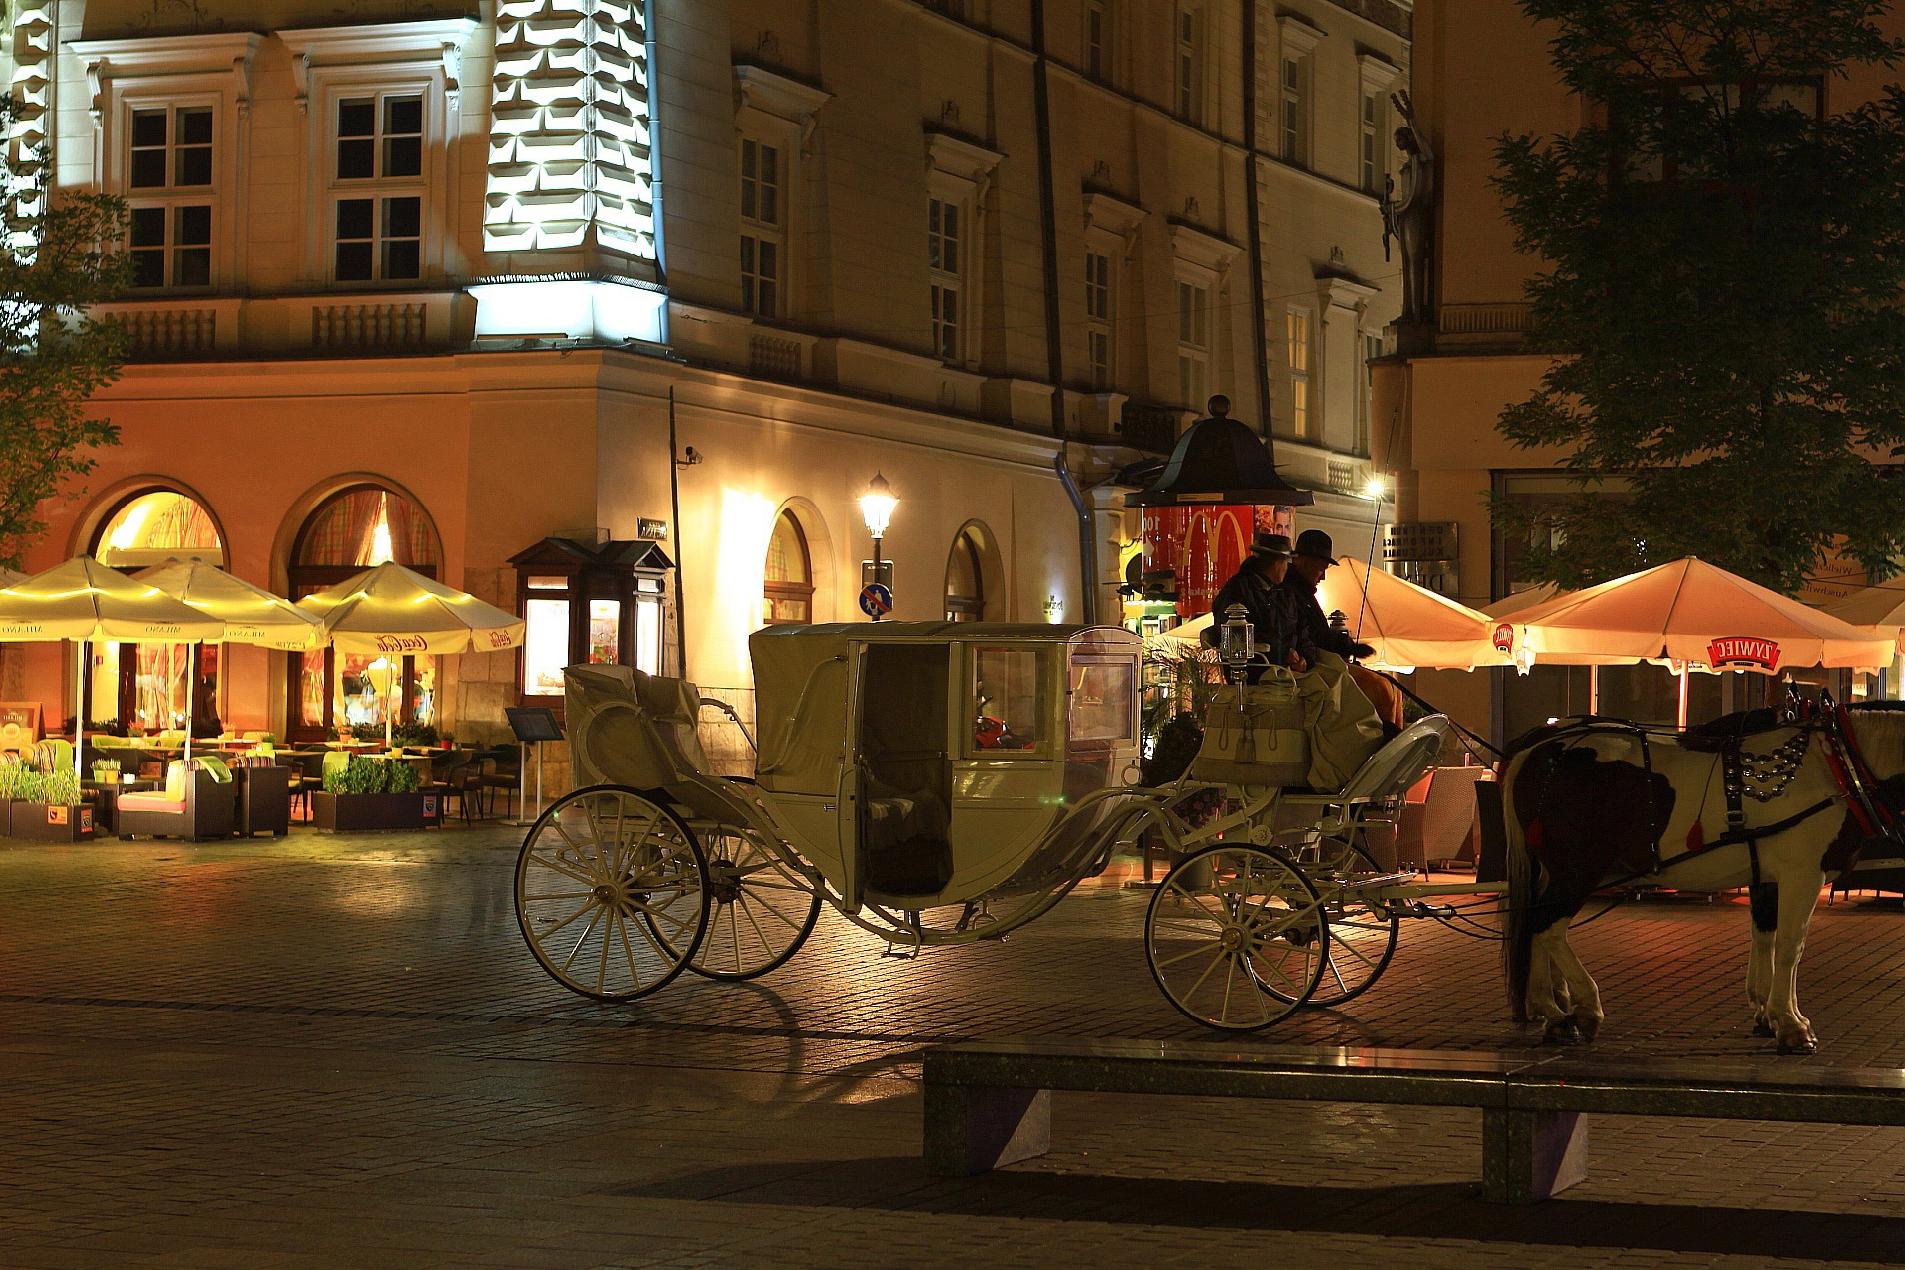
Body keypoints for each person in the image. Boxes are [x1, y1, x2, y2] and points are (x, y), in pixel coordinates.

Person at [1206, 532, 1314, 679]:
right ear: (1278, 563)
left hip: (1288, 672)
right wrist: (1282, 653)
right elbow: (1235, 640)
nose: (1287, 568)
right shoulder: (1237, 591)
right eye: (1285, 562)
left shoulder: (1285, 592)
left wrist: (1305, 658)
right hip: (1255, 674)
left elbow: (1302, 631)